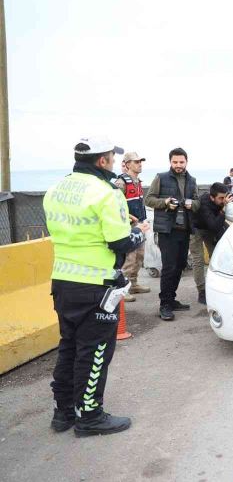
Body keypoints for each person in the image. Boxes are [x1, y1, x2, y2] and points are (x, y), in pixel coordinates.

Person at [44, 136, 149, 436]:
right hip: (97, 286)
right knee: (95, 351)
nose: (114, 163)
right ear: (102, 161)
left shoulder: (55, 189)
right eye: (112, 158)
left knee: (69, 347)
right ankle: (89, 416)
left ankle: (63, 413)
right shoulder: (107, 194)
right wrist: (139, 232)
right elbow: (119, 241)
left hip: (63, 282)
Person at [145, 148, 199, 321]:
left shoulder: (192, 180)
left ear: (186, 162)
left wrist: (193, 204)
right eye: (175, 162)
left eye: (181, 162)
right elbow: (149, 199)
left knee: (180, 265)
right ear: (170, 162)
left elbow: (198, 201)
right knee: (169, 268)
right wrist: (165, 202)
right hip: (167, 230)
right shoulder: (161, 177)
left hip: (185, 230)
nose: (178, 165)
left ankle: (172, 299)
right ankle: (165, 305)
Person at [114, 152, 150, 303]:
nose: (139, 164)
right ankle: (123, 289)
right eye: (136, 162)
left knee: (139, 256)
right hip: (128, 226)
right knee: (130, 257)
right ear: (127, 164)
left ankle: (133, 283)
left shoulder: (137, 181)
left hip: (140, 223)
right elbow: (114, 204)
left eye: (140, 161)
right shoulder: (120, 183)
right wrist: (129, 218)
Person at [190, 182, 233, 305]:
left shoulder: (220, 201)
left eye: (225, 197)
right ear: (212, 197)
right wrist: (223, 209)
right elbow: (214, 225)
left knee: (216, 256)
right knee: (198, 260)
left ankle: (218, 287)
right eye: (220, 198)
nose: (223, 200)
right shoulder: (204, 203)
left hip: (210, 227)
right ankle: (202, 292)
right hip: (196, 228)